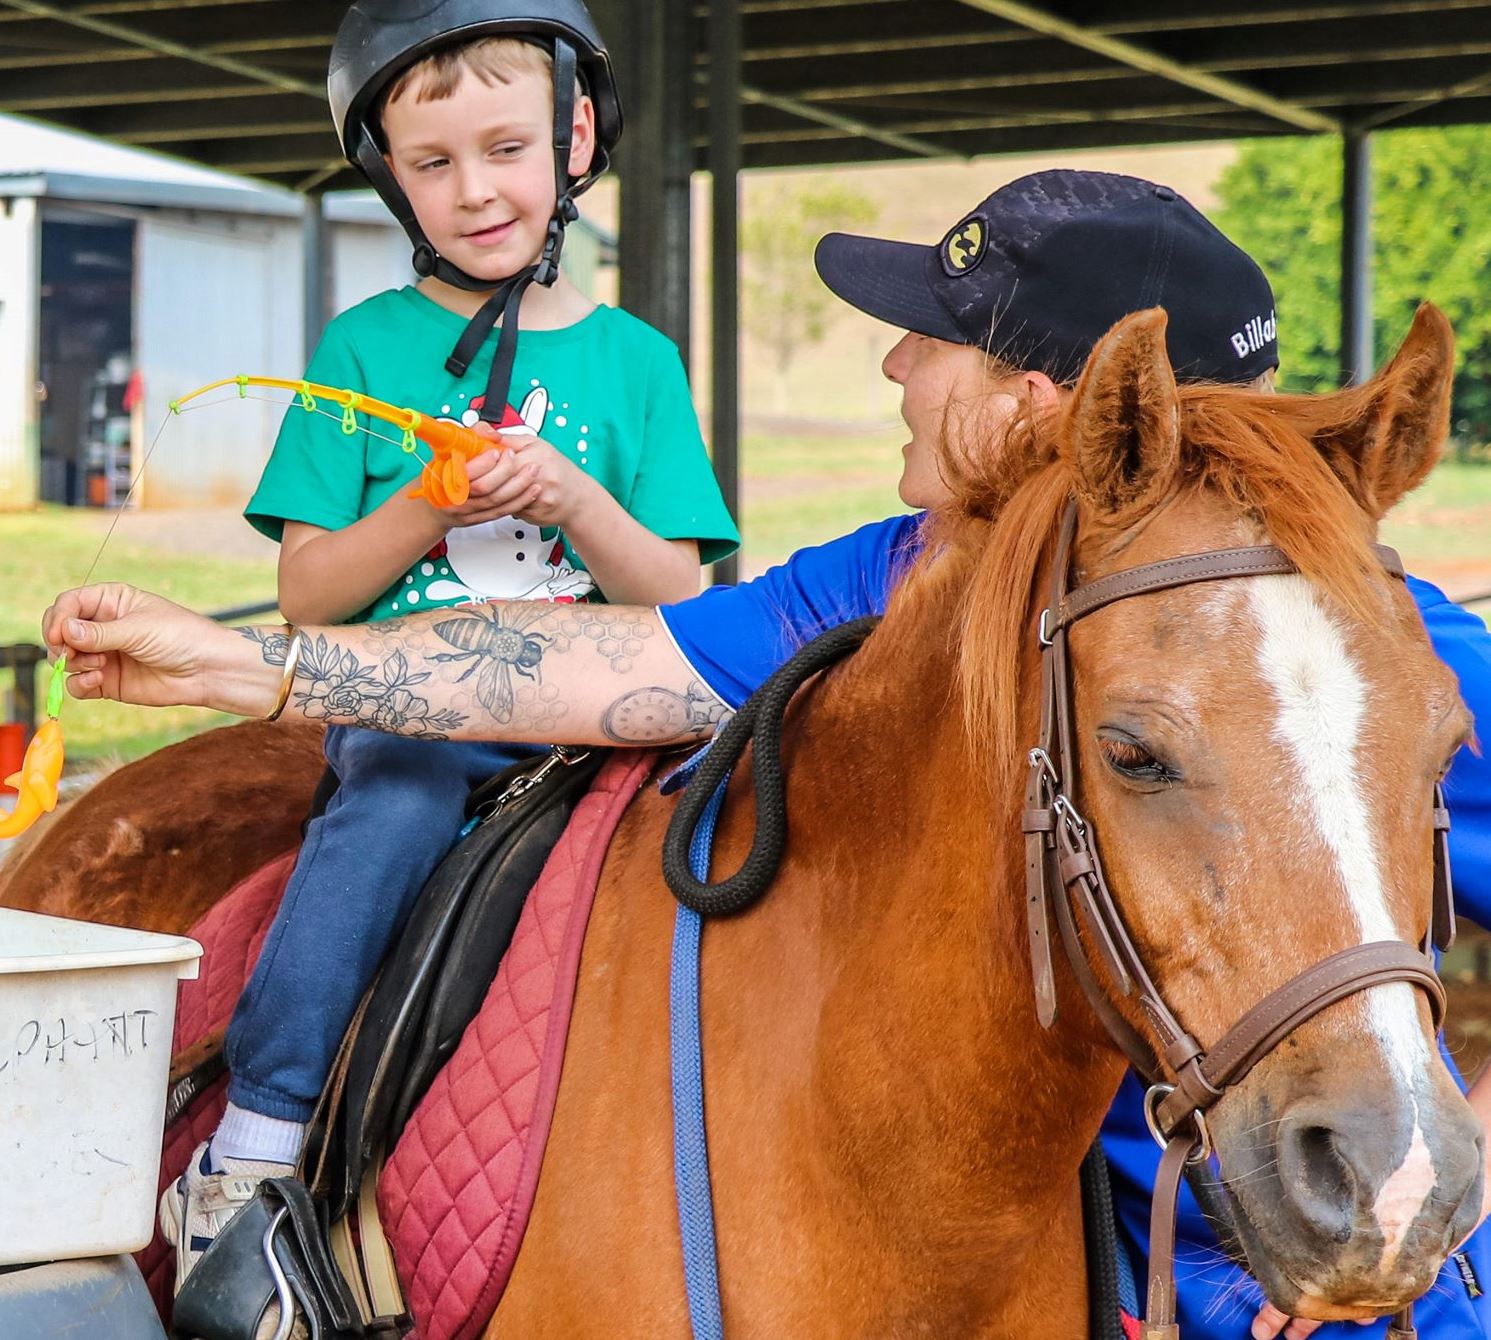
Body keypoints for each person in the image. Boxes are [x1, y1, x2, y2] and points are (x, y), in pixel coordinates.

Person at [44, 170, 1491, 1339]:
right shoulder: (907, 571)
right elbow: (617, 663)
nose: (895, 361)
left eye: (939, 336)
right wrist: (249, 666)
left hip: (1319, 1215)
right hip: (1092, 1207)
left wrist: (1452, 1163)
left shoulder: (1372, 655)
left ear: (1063, 406)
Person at [154, 0, 739, 1290]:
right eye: (433, 163)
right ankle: (256, 1132)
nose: (476, 192)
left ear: (573, 138)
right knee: (395, 801)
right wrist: (427, 501)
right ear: (391, 178)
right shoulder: (361, 346)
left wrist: (577, 502)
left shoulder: (638, 363)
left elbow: (678, 595)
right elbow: (311, 595)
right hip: (418, 709)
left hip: (595, 702)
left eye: (506, 147)